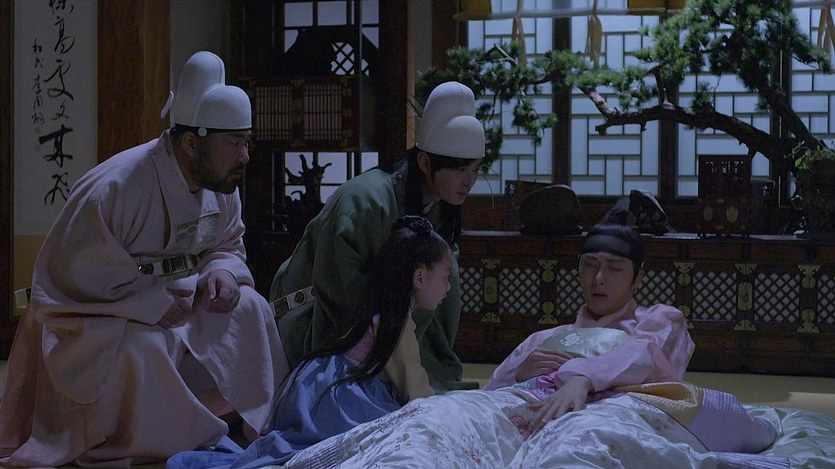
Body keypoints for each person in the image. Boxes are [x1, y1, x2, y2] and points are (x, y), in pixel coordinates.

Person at [0, 51, 289, 468]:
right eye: (234, 144)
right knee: (143, 348)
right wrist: (150, 305)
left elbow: (227, 242)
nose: (245, 156)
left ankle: (239, 421)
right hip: (101, 314)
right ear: (191, 143)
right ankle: (166, 441)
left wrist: (222, 270)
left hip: (180, 301)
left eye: (246, 142)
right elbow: (75, 276)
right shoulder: (115, 187)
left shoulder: (221, 183)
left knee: (250, 309)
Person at [167, 215, 450, 468]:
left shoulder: (380, 310)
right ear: (419, 278)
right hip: (341, 400)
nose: (448, 288)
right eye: (446, 277)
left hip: (319, 385)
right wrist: (447, 414)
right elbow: (415, 387)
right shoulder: (397, 322)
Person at [270, 81, 485, 391]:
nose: (469, 181)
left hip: (390, 330)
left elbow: (437, 300)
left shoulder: (440, 208)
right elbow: (340, 293)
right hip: (323, 321)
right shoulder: (364, 202)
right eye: (460, 170)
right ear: (425, 162)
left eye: (476, 169)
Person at [484, 222, 695, 428]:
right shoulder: (544, 339)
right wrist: (519, 373)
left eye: (614, 268)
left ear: (638, 277)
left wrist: (583, 378)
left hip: (610, 427)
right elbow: (489, 395)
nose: (598, 279)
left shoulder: (658, 321)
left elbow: (647, 357)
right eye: (590, 265)